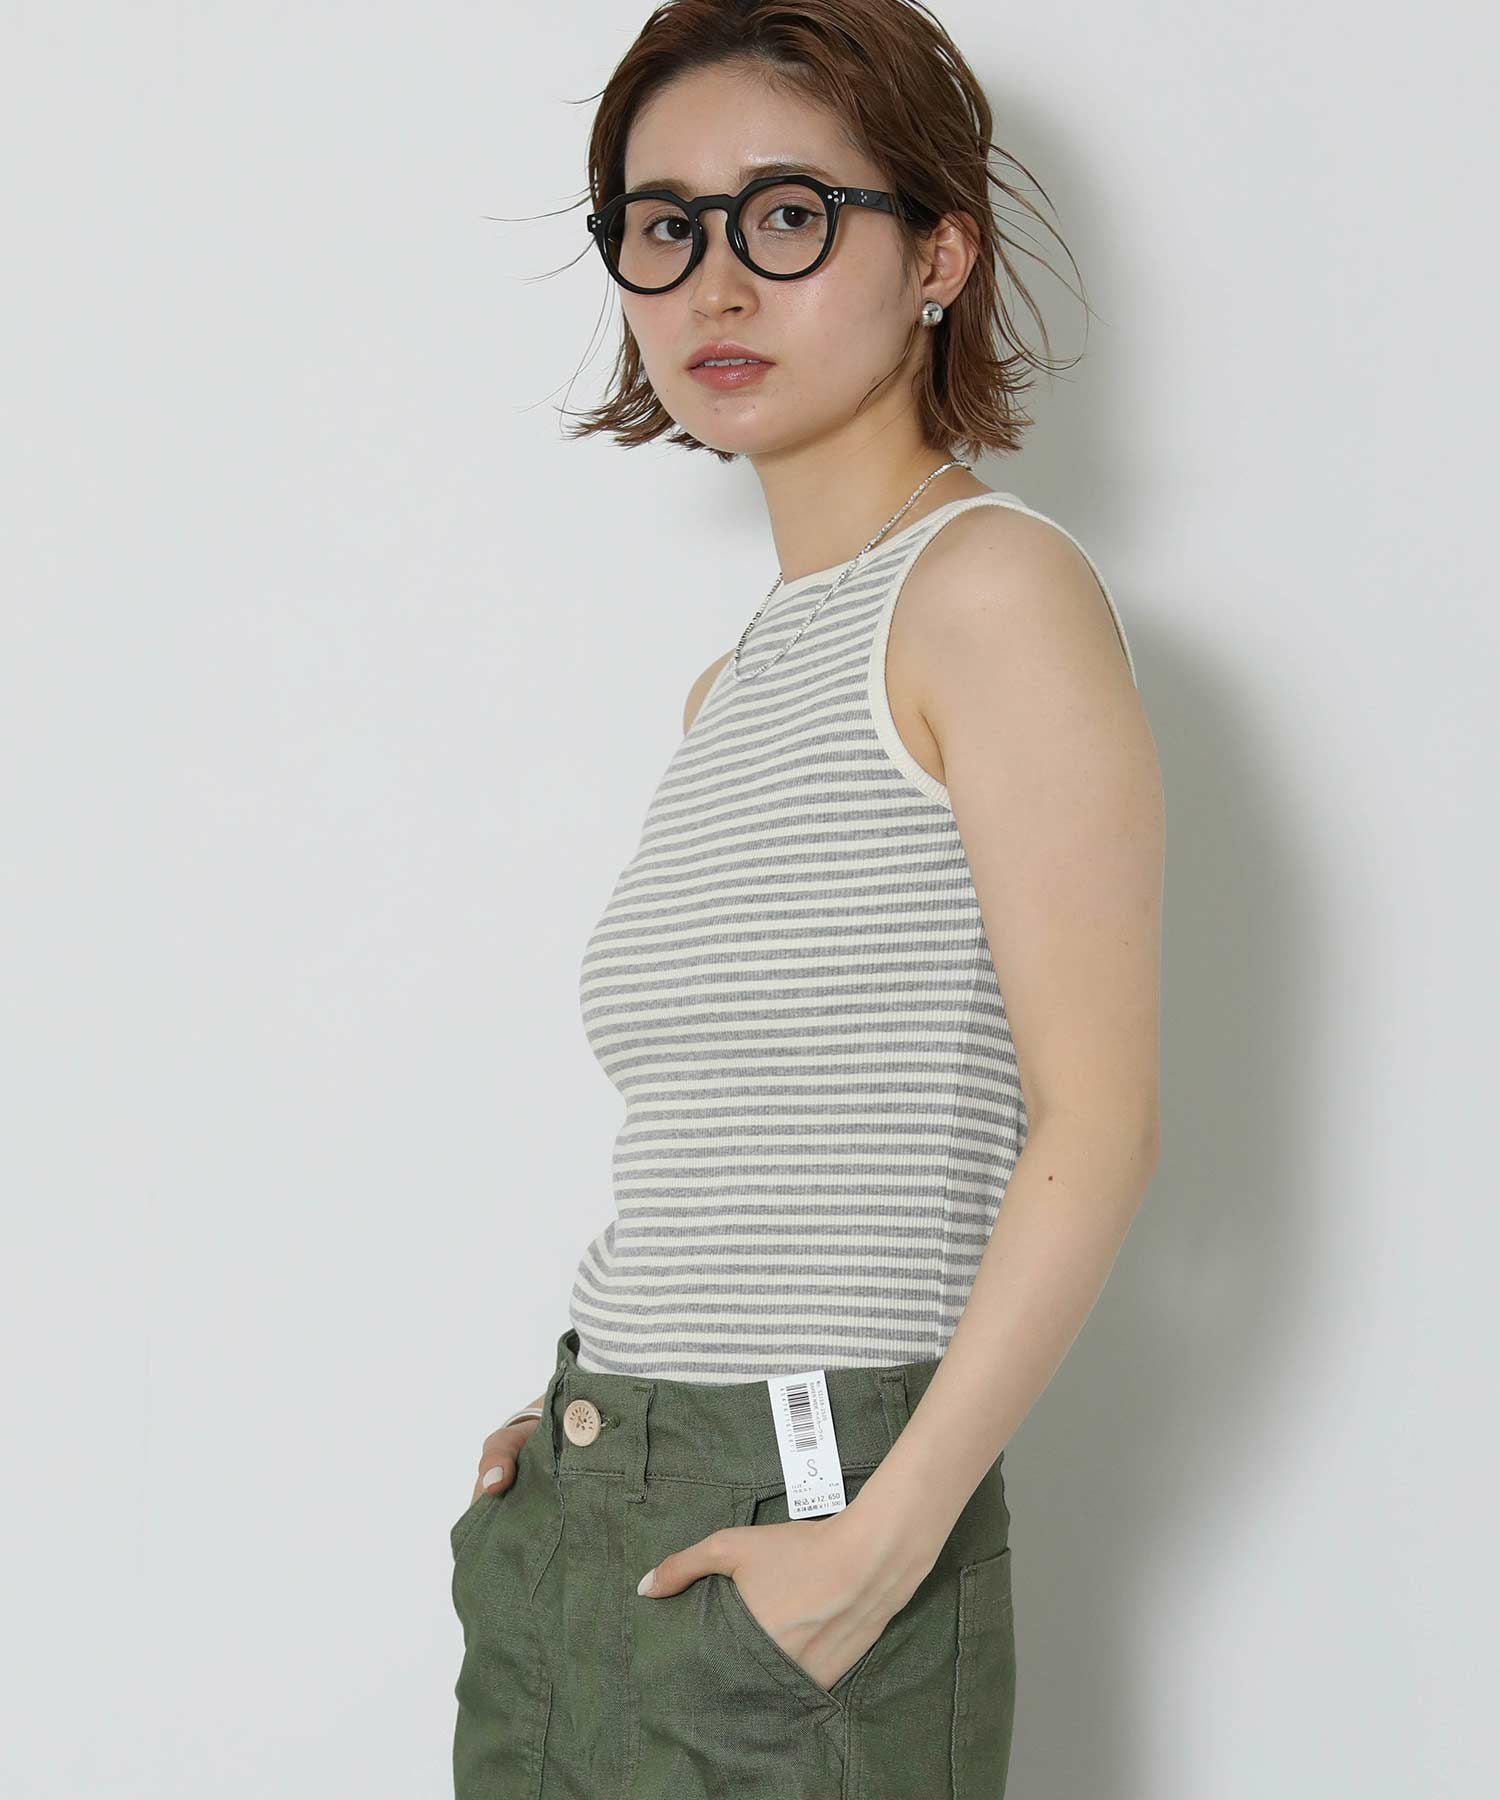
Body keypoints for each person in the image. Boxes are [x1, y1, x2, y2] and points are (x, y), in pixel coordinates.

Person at [449, 3, 1164, 1794]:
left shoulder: (987, 595)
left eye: (788, 215)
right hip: (588, 1510)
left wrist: (880, 1543)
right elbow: (737, 1140)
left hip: (814, 1514)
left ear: (938, 255)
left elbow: (1098, 1123)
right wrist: (574, 1429)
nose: (715, 282)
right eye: (664, 224)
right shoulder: (741, 680)